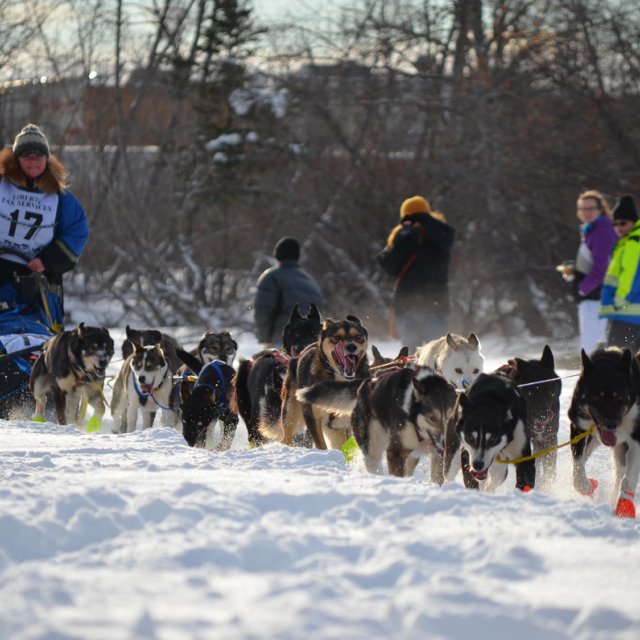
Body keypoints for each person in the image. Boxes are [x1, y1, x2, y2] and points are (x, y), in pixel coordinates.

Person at [0, 124, 89, 332]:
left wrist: (47, 260)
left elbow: (77, 231)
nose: (33, 161)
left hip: (38, 280)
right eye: (27, 155)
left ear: (46, 159)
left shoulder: (60, 197)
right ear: (16, 159)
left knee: (40, 333)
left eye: (39, 156)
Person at [377, 195, 455, 351]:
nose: (414, 224)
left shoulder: (439, 236)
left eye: (418, 219)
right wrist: (407, 240)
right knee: (412, 357)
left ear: (427, 217)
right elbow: (387, 264)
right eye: (409, 220)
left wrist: (425, 222)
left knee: (437, 354)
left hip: (435, 307)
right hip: (407, 308)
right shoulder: (401, 238)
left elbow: (448, 238)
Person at [559, 190, 616, 353]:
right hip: (593, 295)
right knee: (592, 341)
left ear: (601, 209)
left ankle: (595, 374)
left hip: (597, 296)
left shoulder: (602, 231)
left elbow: (601, 267)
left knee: (593, 344)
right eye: (582, 208)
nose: (586, 212)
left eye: (590, 208)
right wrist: (574, 273)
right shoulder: (592, 229)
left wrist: (583, 289)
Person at [254, 236, 324, 348]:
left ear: (277, 256)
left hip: (284, 341)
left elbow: (263, 309)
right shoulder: (311, 282)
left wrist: (265, 339)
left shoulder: (271, 277)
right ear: (297, 257)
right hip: (312, 345)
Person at [599, 195, 640, 350]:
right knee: (633, 366)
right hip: (629, 313)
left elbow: (632, 277)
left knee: (615, 363)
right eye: (615, 223)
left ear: (634, 221)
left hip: (628, 313)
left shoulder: (633, 243)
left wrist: (619, 302)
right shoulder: (625, 242)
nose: (619, 227)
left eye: (623, 222)